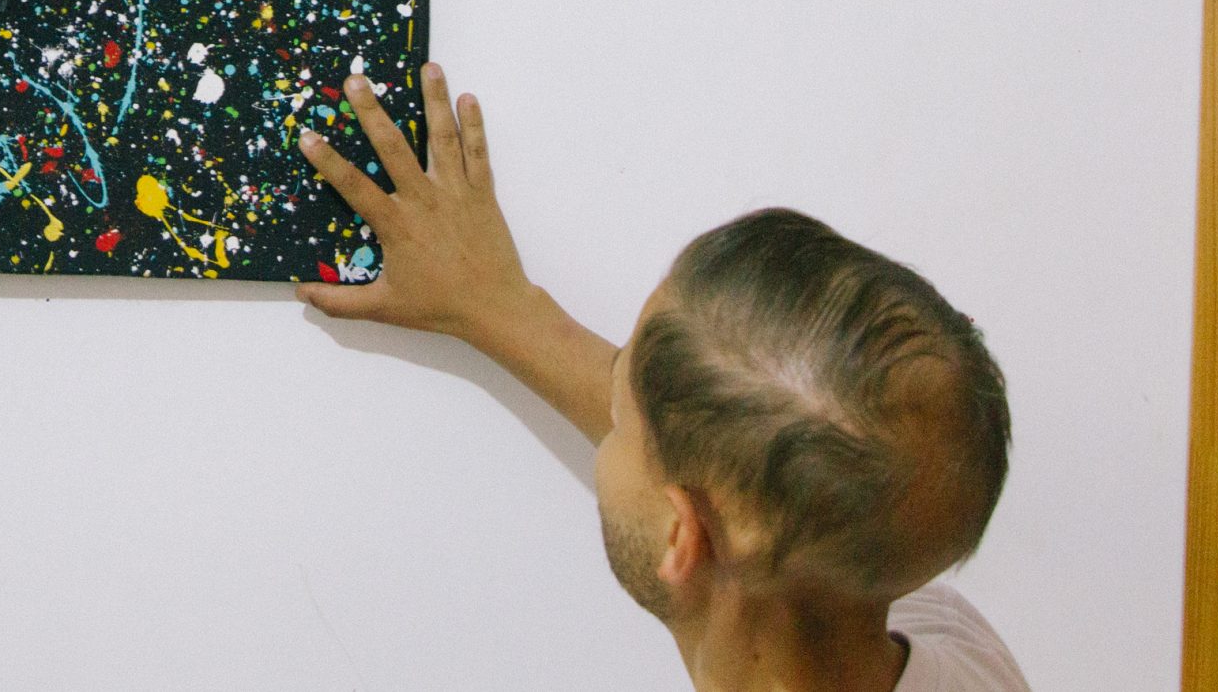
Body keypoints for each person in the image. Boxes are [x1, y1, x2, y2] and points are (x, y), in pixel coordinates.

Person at [296, 64, 1030, 691]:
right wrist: (495, 304)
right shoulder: (937, 634)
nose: (609, 399)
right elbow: (744, 444)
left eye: (622, 413)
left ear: (683, 534)